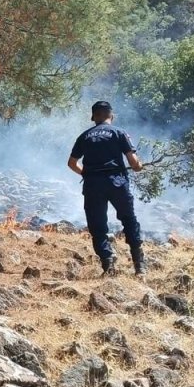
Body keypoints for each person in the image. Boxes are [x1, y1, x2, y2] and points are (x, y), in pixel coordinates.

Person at [67, 101, 144, 275]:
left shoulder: (84, 136)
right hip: (116, 182)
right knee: (129, 220)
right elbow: (133, 162)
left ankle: (108, 266)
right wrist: (139, 166)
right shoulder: (119, 133)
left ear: (93, 117)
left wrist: (87, 174)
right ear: (111, 115)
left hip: (93, 184)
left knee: (98, 225)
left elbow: (72, 163)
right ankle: (140, 266)